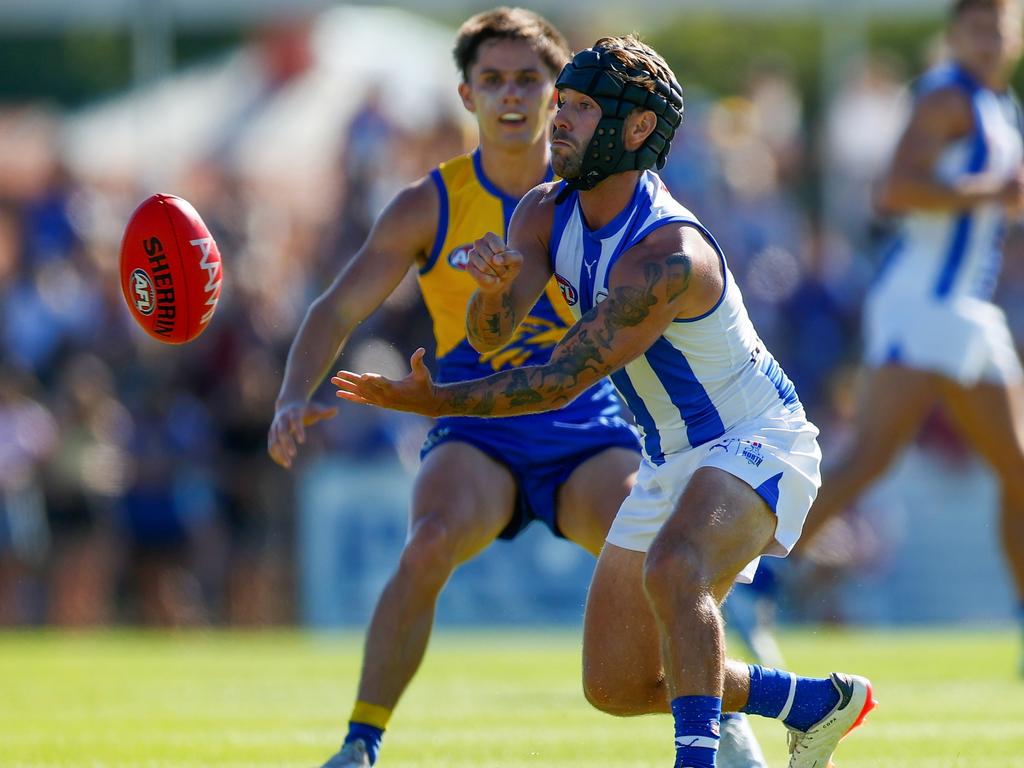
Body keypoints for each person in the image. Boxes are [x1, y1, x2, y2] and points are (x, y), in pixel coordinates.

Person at [333, 35, 876, 768]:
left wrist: (436, 401)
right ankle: (811, 703)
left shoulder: (665, 255)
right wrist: (492, 293)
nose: (558, 121)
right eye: (563, 104)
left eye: (583, 110)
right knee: (616, 684)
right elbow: (494, 337)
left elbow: (558, 381)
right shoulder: (542, 211)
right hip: (668, 457)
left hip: (757, 440)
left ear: (638, 129)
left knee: (673, 567)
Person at [269, 11, 767, 768]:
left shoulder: (598, 188)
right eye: (492, 80)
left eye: (530, 80)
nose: (512, 96)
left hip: (585, 419)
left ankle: (731, 709)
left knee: (672, 561)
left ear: (558, 94)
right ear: (465, 95)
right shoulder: (428, 204)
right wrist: (293, 394)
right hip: (476, 423)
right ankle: (360, 743)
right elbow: (337, 305)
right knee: (430, 542)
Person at [799, 0, 1024, 672]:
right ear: (954, 35)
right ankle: (746, 578)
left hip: (964, 306)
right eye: (978, 27)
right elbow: (893, 190)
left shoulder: (996, 100)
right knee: (868, 458)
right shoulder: (945, 98)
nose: (990, 39)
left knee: (1016, 471)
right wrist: (992, 190)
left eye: (1002, 27)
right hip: (922, 301)